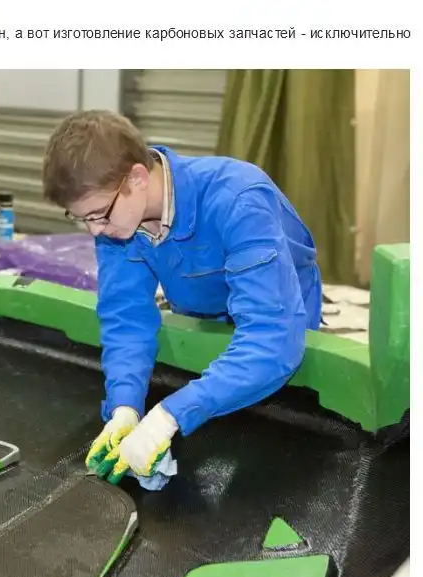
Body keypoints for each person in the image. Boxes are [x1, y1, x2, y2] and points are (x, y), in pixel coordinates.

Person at [41, 109, 323, 486]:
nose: (95, 231)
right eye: (82, 219)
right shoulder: (117, 224)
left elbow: (272, 340)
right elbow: (126, 318)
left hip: (278, 325)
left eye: (99, 215)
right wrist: (124, 405)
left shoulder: (238, 200)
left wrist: (168, 416)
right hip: (203, 319)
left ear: (137, 178)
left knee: (271, 454)